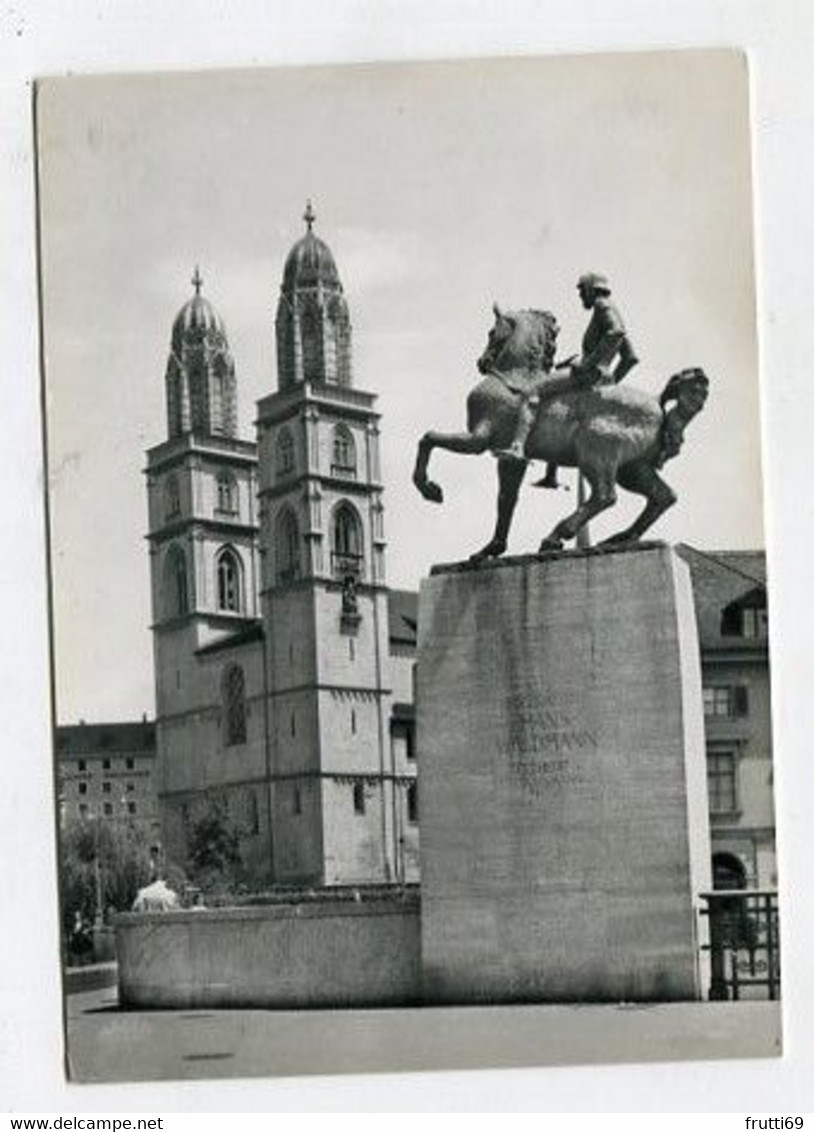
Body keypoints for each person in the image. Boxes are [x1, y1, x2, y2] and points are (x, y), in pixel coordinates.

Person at [534, 273, 638, 487]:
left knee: (534, 390)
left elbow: (615, 332)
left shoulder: (602, 305)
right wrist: (611, 381)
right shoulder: (612, 309)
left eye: (582, 290)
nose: (581, 296)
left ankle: (516, 445)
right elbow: (630, 358)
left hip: (589, 375)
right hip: (599, 376)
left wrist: (588, 365)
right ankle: (551, 475)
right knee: (558, 403)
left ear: (592, 289)